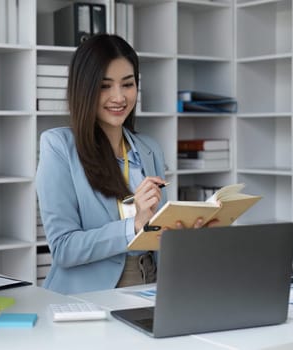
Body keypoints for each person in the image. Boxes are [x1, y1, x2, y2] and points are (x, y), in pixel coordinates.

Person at [36, 34, 208, 295]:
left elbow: (158, 231)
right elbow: (63, 248)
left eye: (127, 84)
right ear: (84, 89)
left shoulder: (149, 149)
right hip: (91, 293)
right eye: (105, 86)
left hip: (152, 281)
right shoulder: (58, 146)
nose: (119, 97)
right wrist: (134, 226)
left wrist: (185, 233)